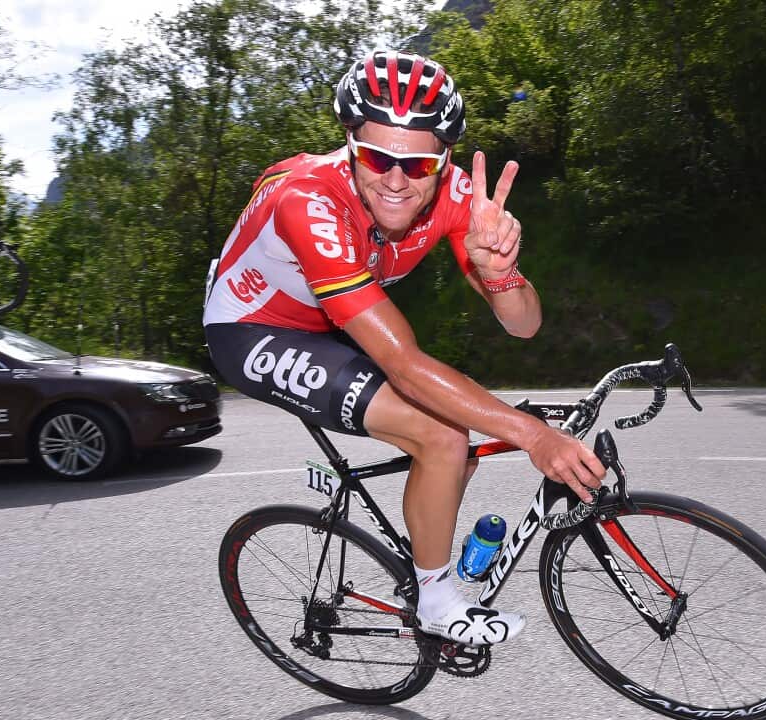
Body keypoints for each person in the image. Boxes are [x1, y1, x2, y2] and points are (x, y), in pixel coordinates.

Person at [202, 50, 605, 646]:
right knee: (443, 435)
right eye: (376, 157)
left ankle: (424, 550)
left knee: (454, 450)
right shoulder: (308, 201)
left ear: (443, 161)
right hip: (252, 329)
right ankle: (436, 600)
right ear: (349, 140)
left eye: (417, 164)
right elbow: (403, 364)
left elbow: (524, 326)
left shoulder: (457, 197)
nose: (396, 180)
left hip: (331, 320)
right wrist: (534, 435)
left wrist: (499, 274)